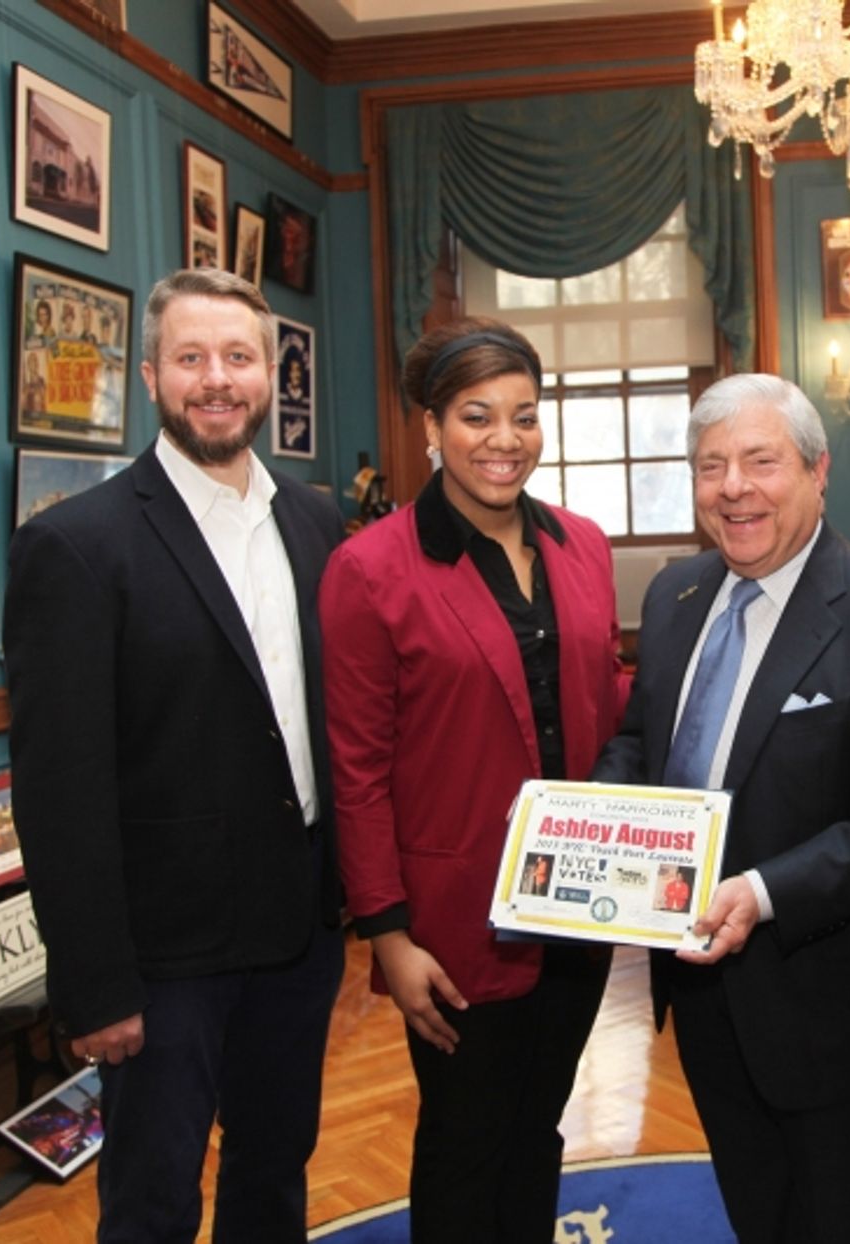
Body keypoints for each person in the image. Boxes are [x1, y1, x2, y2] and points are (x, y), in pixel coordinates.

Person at [590, 373, 850, 1243]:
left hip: (838, 1002)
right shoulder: (675, 595)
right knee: (758, 1216)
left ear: (816, 470)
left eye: (761, 461)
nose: (733, 488)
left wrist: (762, 892)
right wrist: (584, 820)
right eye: (711, 466)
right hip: (705, 993)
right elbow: (643, 744)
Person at [5, 268, 346, 1244]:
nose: (216, 378)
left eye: (238, 357)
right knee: (152, 1204)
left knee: (273, 1173)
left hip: (298, 936)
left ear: (267, 372)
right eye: (190, 357)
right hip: (160, 962)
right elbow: (60, 789)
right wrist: (94, 983)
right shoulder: (76, 545)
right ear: (151, 373)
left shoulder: (318, 523)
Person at [318, 316, 629, 1244]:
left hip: (579, 904)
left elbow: (603, 702)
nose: (505, 440)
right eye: (477, 416)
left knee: (538, 1127)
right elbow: (358, 769)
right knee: (464, 1140)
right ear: (431, 427)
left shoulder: (584, 545)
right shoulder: (368, 571)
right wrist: (388, 935)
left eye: (525, 416)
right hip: (454, 924)